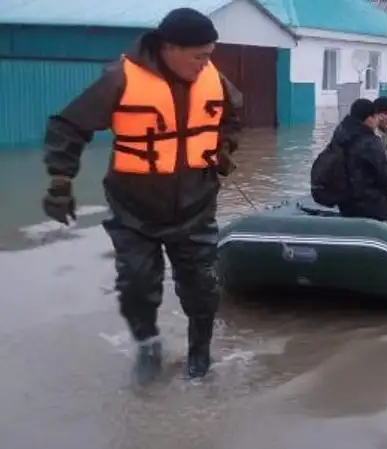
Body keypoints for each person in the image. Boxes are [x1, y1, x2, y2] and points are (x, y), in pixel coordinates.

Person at [41, 8, 243, 385]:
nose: (206, 63)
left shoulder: (212, 79)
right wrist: (60, 182)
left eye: (209, 55)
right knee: (136, 283)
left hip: (196, 203)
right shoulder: (120, 79)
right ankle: (148, 348)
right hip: (134, 207)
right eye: (199, 55)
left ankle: (199, 355)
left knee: (202, 285)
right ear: (169, 48)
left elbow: (233, 114)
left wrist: (222, 147)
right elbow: (68, 127)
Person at [310, 99, 387, 221]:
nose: (378, 120)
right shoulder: (370, 142)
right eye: (376, 116)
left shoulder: (340, 136)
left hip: (346, 204)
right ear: (369, 118)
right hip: (368, 204)